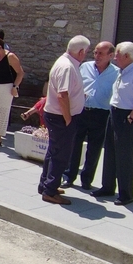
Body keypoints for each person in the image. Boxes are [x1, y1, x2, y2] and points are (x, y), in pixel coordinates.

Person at [92, 41, 133, 206]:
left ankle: (126, 193)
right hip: (115, 112)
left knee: (125, 155)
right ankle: (108, 186)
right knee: (110, 150)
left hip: (128, 115)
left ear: (127, 56)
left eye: (117, 54)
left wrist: (131, 118)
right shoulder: (122, 71)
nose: (115, 57)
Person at [38, 36, 88, 205]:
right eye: (85, 52)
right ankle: (50, 190)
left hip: (56, 115)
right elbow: (62, 94)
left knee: (53, 152)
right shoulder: (67, 66)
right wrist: (68, 118)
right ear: (81, 52)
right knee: (60, 155)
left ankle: (45, 184)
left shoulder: (65, 62)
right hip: (61, 117)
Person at [62, 41, 118, 190]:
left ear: (110, 55)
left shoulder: (116, 73)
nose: (97, 56)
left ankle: (86, 179)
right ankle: (69, 176)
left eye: (101, 53)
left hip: (101, 113)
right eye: (95, 52)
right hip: (81, 110)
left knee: (94, 148)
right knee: (74, 144)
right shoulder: (85, 67)